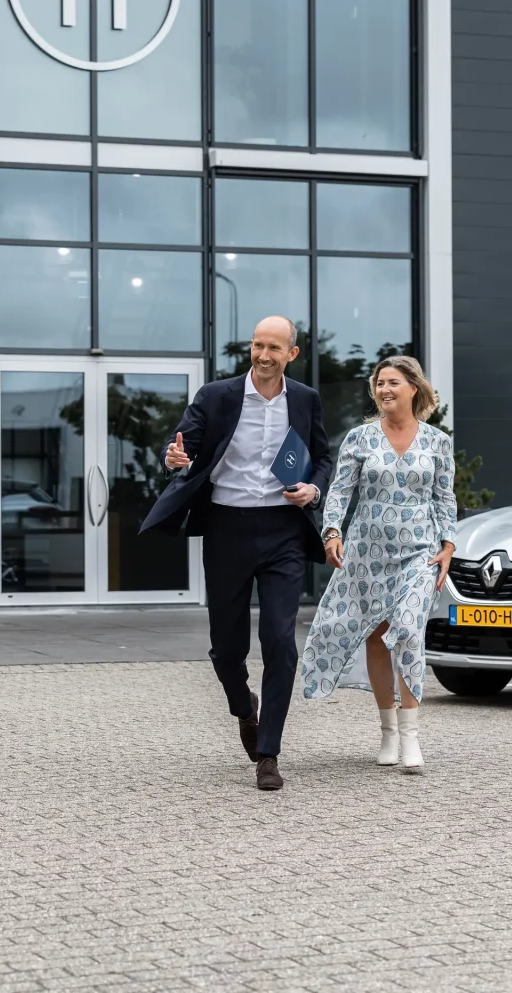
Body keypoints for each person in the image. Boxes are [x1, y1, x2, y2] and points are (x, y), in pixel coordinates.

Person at [140, 317, 332, 791]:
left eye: (274, 348)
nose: (264, 355)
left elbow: (322, 458)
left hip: (284, 530)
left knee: (280, 640)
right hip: (227, 528)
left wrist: (313, 489)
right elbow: (181, 447)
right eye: (257, 345)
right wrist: (173, 458)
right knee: (227, 649)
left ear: (292, 353)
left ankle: (268, 754)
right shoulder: (216, 396)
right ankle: (245, 708)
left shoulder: (304, 399)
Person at [302, 356, 457, 771]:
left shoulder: (437, 442)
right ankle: (388, 732)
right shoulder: (360, 438)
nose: (384, 390)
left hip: (419, 553)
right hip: (368, 553)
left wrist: (448, 544)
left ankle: (411, 736)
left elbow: (444, 497)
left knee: (407, 630)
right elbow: (340, 491)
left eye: (392, 382)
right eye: (379, 383)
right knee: (376, 635)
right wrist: (331, 532)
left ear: (413, 388)